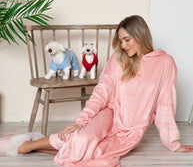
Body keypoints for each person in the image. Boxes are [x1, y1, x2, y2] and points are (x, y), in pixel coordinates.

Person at [10, 16, 193, 166]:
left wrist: (173, 143)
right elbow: (102, 91)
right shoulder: (119, 58)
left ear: (141, 35)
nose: (123, 46)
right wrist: (82, 122)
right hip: (110, 114)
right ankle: (27, 146)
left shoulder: (165, 63)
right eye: (120, 41)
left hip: (131, 131)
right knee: (81, 139)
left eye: (127, 40)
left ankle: (33, 146)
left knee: (94, 153)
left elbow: (165, 104)